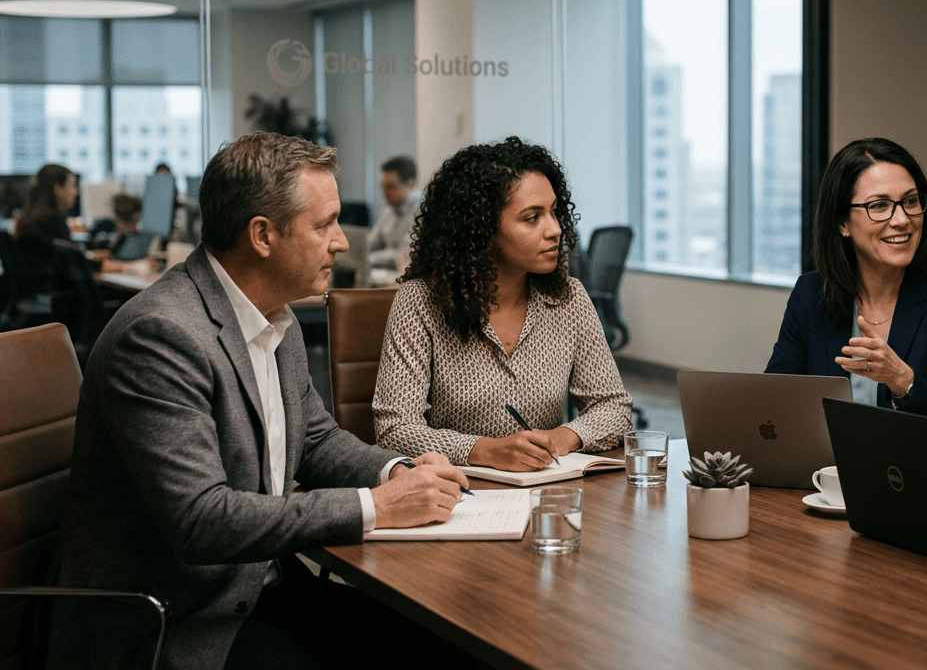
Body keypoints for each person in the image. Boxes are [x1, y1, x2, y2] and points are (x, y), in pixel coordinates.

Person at [48, 132, 473, 668]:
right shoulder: (161, 335)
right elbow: (202, 519)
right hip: (177, 619)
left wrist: (399, 471)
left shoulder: (274, 317)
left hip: (258, 588)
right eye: (324, 225)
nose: (341, 242)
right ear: (262, 235)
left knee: (438, 640)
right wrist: (379, 506)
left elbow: (315, 441)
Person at [373, 136, 632, 471]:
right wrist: (486, 451)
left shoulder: (568, 298)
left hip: (546, 491)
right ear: (481, 230)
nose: (555, 230)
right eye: (532, 218)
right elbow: (395, 430)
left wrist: (561, 438)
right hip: (458, 493)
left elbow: (613, 407)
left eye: (554, 212)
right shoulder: (420, 302)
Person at [764, 137, 927, 472]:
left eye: (910, 202)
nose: (901, 220)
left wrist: (902, 380)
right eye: (879, 206)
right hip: (828, 484)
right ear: (842, 222)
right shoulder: (811, 293)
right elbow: (773, 405)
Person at [367, 154, 420, 267]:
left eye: (390, 187)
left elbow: (405, 254)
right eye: (383, 186)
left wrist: (370, 258)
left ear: (409, 185)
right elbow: (370, 244)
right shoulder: (388, 212)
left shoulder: (421, 212)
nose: (384, 192)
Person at [13, 163, 77, 244]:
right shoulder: (54, 222)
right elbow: (68, 254)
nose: (75, 192)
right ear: (58, 188)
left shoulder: (25, 220)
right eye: (73, 185)